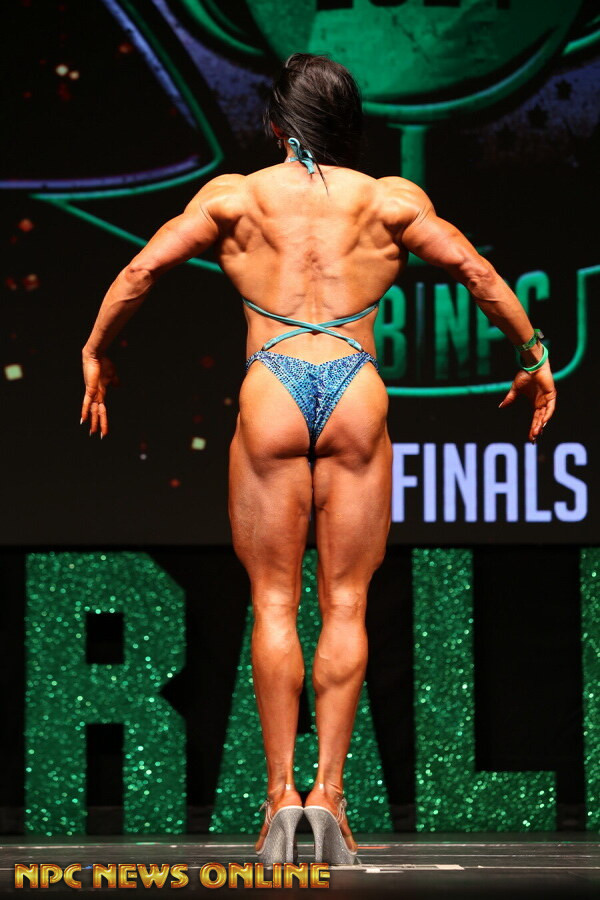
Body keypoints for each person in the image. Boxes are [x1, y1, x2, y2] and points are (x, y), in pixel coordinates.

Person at [80, 53, 556, 865]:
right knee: (345, 603)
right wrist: (534, 352)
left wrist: (96, 350)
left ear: (276, 123)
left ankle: (279, 801)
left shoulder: (235, 198)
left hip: (270, 382)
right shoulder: (389, 200)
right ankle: (329, 796)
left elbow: (142, 268)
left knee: (273, 601)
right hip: (354, 385)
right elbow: (474, 271)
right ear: (347, 124)